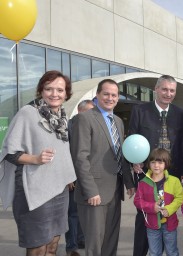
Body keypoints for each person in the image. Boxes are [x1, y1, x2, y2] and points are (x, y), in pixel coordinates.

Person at [0, 70, 77, 255]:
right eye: (48, 89)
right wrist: (35, 159)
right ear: (41, 91)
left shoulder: (62, 118)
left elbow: (62, 151)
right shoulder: (28, 113)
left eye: (59, 90)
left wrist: (67, 175)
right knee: (37, 246)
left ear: (66, 93)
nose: (54, 94)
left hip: (59, 190)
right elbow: (10, 152)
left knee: (53, 242)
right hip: (34, 190)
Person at [70, 78, 135, 256]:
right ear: (97, 95)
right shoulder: (84, 119)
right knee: (95, 244)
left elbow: (121, 155)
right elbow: (80, 158)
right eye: (106, 94)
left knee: (110, 240)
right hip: (94, 193)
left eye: (114, 95)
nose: (110, 98)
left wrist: (128, 182)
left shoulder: (118, 121)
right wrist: (90, 191)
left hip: (114, 190)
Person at [128, 75, 183, 256]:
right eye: (165, 89)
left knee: (167, 218)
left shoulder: (180, 113)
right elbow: (132, 139)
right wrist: (133, 161)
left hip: (171, 175)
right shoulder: (140, 110)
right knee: (144, 216)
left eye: (172, 90)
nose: (168, 94)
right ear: (156, 89)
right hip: (147, 174)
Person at [133, 148, 183, 256]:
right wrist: (151, 207)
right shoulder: (143, 183)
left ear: (166, 163)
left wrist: (169, 209)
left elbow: (179, 198)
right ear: (149, 164)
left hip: (170, 225)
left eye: (160, 162)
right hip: (152, 226)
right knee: (154, 253)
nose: (156, 165)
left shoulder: (174, 181)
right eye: (153, 162)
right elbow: (137, 201)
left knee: (172, 251)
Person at [65, 99, 95, 256]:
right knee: (73, 213)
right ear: (79, 110)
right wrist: (68, 177)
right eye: (89, 111)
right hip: (72, 177)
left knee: (84, 211)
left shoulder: (91, 127)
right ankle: (71, 245)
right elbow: (66, 153)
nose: (92, 115)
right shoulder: (68, 127)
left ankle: (82, 239)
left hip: (86, 176)